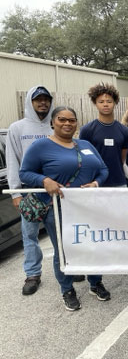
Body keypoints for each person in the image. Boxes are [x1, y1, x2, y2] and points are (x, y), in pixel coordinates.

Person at [19, 106, 110, 310]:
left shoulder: (85, 144)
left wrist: (96, 183)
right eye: (62, 119)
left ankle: (95, 283)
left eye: (72, 120)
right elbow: (24, 172)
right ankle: (67, 289)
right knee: (64, 250)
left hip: (88, 207)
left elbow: (103, 169)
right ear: (53, 122)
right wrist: (44, 180)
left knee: (92, 245)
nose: (67, 123)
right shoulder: (41, 146)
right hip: (58, 209)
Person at [6, 85, 55, 295]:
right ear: (30, 102)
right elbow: (13, 161)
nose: (43, 103)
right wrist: (16, 192)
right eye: (38, 99)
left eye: (46, 99)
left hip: (55, 191)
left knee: (59, 234)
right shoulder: (17, 128)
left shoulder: (56, 125)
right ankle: (33, 274)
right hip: (30, 192)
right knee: (30, 236)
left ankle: (66, 268)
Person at [79, 83, 128, 187]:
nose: (105, 104)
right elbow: (84, 158)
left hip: (119, 182)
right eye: (101, 102)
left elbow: (122, 158)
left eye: (109, 101)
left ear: (115, 103)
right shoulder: (87, 130)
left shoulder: (124, 130)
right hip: (95, 183)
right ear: (95, 103)